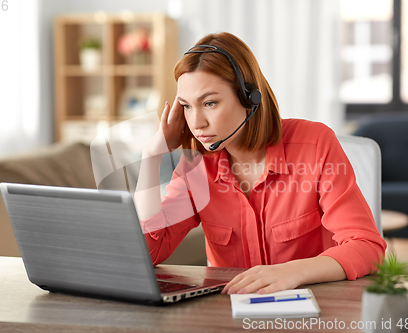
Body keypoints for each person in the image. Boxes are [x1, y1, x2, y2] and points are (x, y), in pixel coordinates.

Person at [134, 32, 386, 295]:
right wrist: (151, 155)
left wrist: (293, 272)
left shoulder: (314, 144)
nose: (196, 123)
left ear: (249, 99)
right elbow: (149, 252)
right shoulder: (195, 168)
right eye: (186, 106)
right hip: (229, 313)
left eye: (209, 103)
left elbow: (367, 246)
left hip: (311, 309)